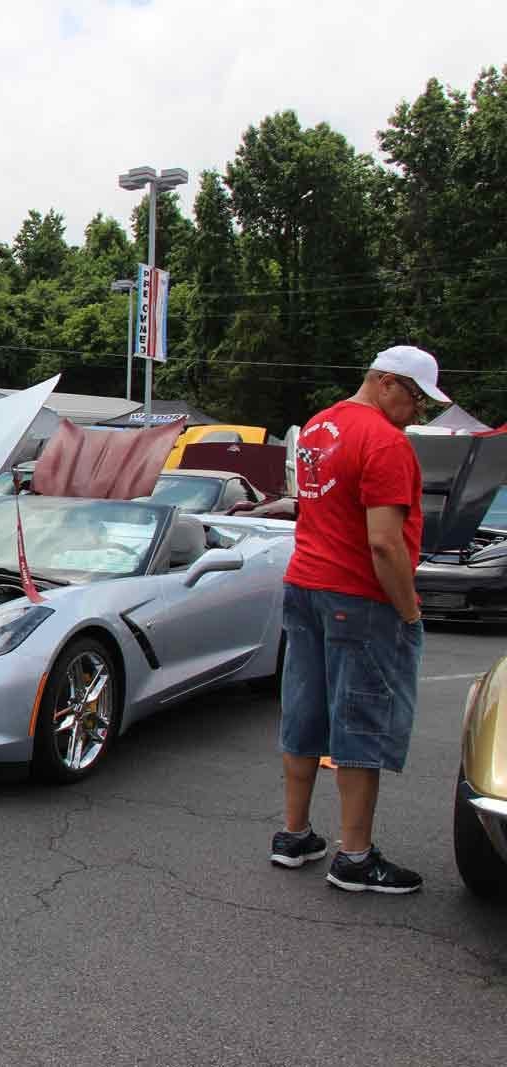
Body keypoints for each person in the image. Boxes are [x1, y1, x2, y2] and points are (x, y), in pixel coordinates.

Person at [272, 345, 447, 895]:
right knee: (361, 720)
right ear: (386, 382)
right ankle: (354, 858)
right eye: (416, 398)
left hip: (305, 584)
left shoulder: (319, 426)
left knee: (304, 708)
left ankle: (294, 835)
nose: (417, 412)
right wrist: (409, 611)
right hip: (359, 597)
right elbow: (384, 543)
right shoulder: (385, 442)